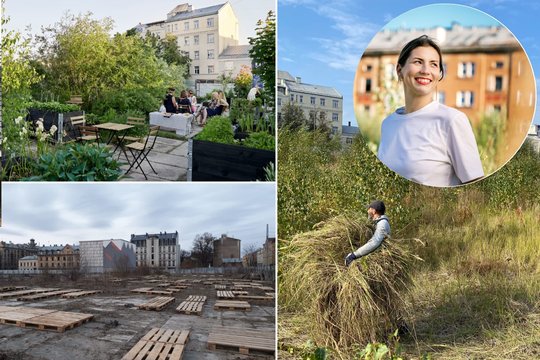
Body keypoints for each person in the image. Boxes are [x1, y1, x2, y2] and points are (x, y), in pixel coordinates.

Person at [377, 35, 484, 187]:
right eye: (418, 62)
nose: (426, 70)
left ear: (439, 73)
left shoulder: (452, 120)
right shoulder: (388, 124)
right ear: (400, 70)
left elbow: (476, 185)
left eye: (434, 64)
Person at [345, 200, 390, 266]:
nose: (367, 211)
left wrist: (354, 255)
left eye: (369, 209)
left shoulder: (382, 223)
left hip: (380, 262)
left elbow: (374, 243)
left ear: (374, 211)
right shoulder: (377, 223)